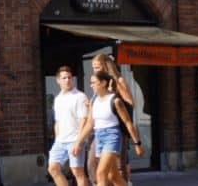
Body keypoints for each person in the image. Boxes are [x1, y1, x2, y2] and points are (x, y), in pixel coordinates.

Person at [73, 72, 144, 186]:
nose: (91, 85)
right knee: (113, 176)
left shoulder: (115, 101)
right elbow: (90, 124)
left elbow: (128, 122)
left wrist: (137, 144)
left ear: (103, 83)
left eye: (94, 82)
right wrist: (78, 143)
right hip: (99, 136)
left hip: (112, 136)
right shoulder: (94, 101)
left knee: (101, 174)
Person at [91, 54, 135, 182]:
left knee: (118, 166)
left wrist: (112, 96)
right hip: (100, 129)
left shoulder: (118, 81)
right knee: (93, 164)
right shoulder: (98, 83)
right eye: (93, 67)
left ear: (106, 65)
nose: (95, 70)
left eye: (97, 67)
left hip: (117, 128)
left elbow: (130, 103)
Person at [48, 66, 89, 186]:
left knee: (78, 172)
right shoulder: (58, 99)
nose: (67, 80)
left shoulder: (79, 96)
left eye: (69, 77)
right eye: (64, 78)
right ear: (58, 80)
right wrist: (57, 139)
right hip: (60, 141)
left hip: (75, 139)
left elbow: (84, 120)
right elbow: (58, 121)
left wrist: (79, 142)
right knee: (53, 169)